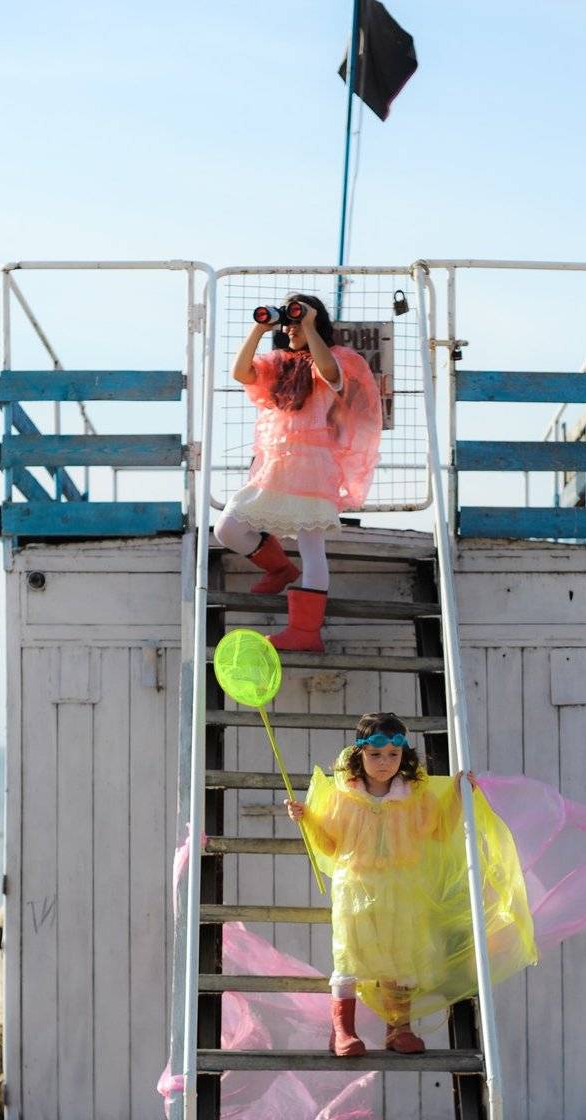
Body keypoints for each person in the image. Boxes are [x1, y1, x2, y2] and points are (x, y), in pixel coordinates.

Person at [285, 712, 537, 1056]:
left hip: (402, 890)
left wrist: (458, 797)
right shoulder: (343, 798)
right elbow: (330, 845)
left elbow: (439, 830)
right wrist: (308, 820)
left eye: (393, 754)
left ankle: (399, 1029)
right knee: (349, 955)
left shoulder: (415, 798)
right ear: (360, 755)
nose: (384, 763)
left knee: (400, 957)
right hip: (355, 889)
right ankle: (342, 1032)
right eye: (375, 754)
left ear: (404, 756)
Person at [214, 294, 382, 653]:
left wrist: (308, 323)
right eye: (287, 322)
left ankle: (304, 631)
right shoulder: (279, 362)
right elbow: (241, 372)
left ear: (314, 321)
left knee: (311, 547)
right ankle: (280, 570)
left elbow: (330, 374)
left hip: (312, 464)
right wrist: (259, 329)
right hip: (275, 463)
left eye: (297, 321)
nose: (290, 328)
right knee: (227, 528)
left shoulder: (336, 357)